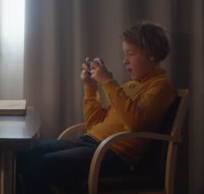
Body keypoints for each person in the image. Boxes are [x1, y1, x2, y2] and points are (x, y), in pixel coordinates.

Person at [16, 22, 176, 194]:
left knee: (40, 164)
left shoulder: (161, 87)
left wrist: (108, 82)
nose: (125, 61)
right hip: (89, 142)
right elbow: (94, 124)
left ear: (150, 55)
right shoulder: (130, 87)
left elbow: (135, 123)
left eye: (131, 54)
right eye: (125, 54)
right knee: (17, 155)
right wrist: (91, 88)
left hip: (113, 153)